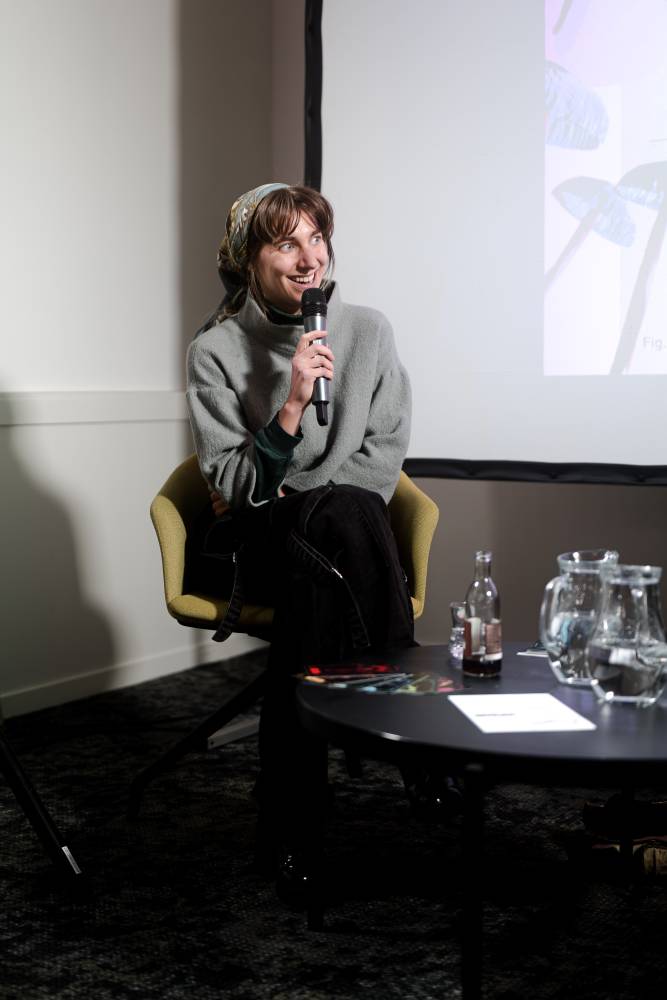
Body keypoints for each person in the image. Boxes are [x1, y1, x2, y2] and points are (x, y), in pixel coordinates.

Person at [185, 182, 435, 903]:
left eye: (316, 238)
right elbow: (237, 487)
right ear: (247, 259)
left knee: (330, 548)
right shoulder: (215, 351)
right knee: (333, 524)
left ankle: (289, 823)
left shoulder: (368, 331)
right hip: (264, 542)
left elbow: (383, 456)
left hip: (337, 541)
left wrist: (310, 496)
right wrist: (292, 405)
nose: (309, 258)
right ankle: (414, 735)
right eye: (285, 243)